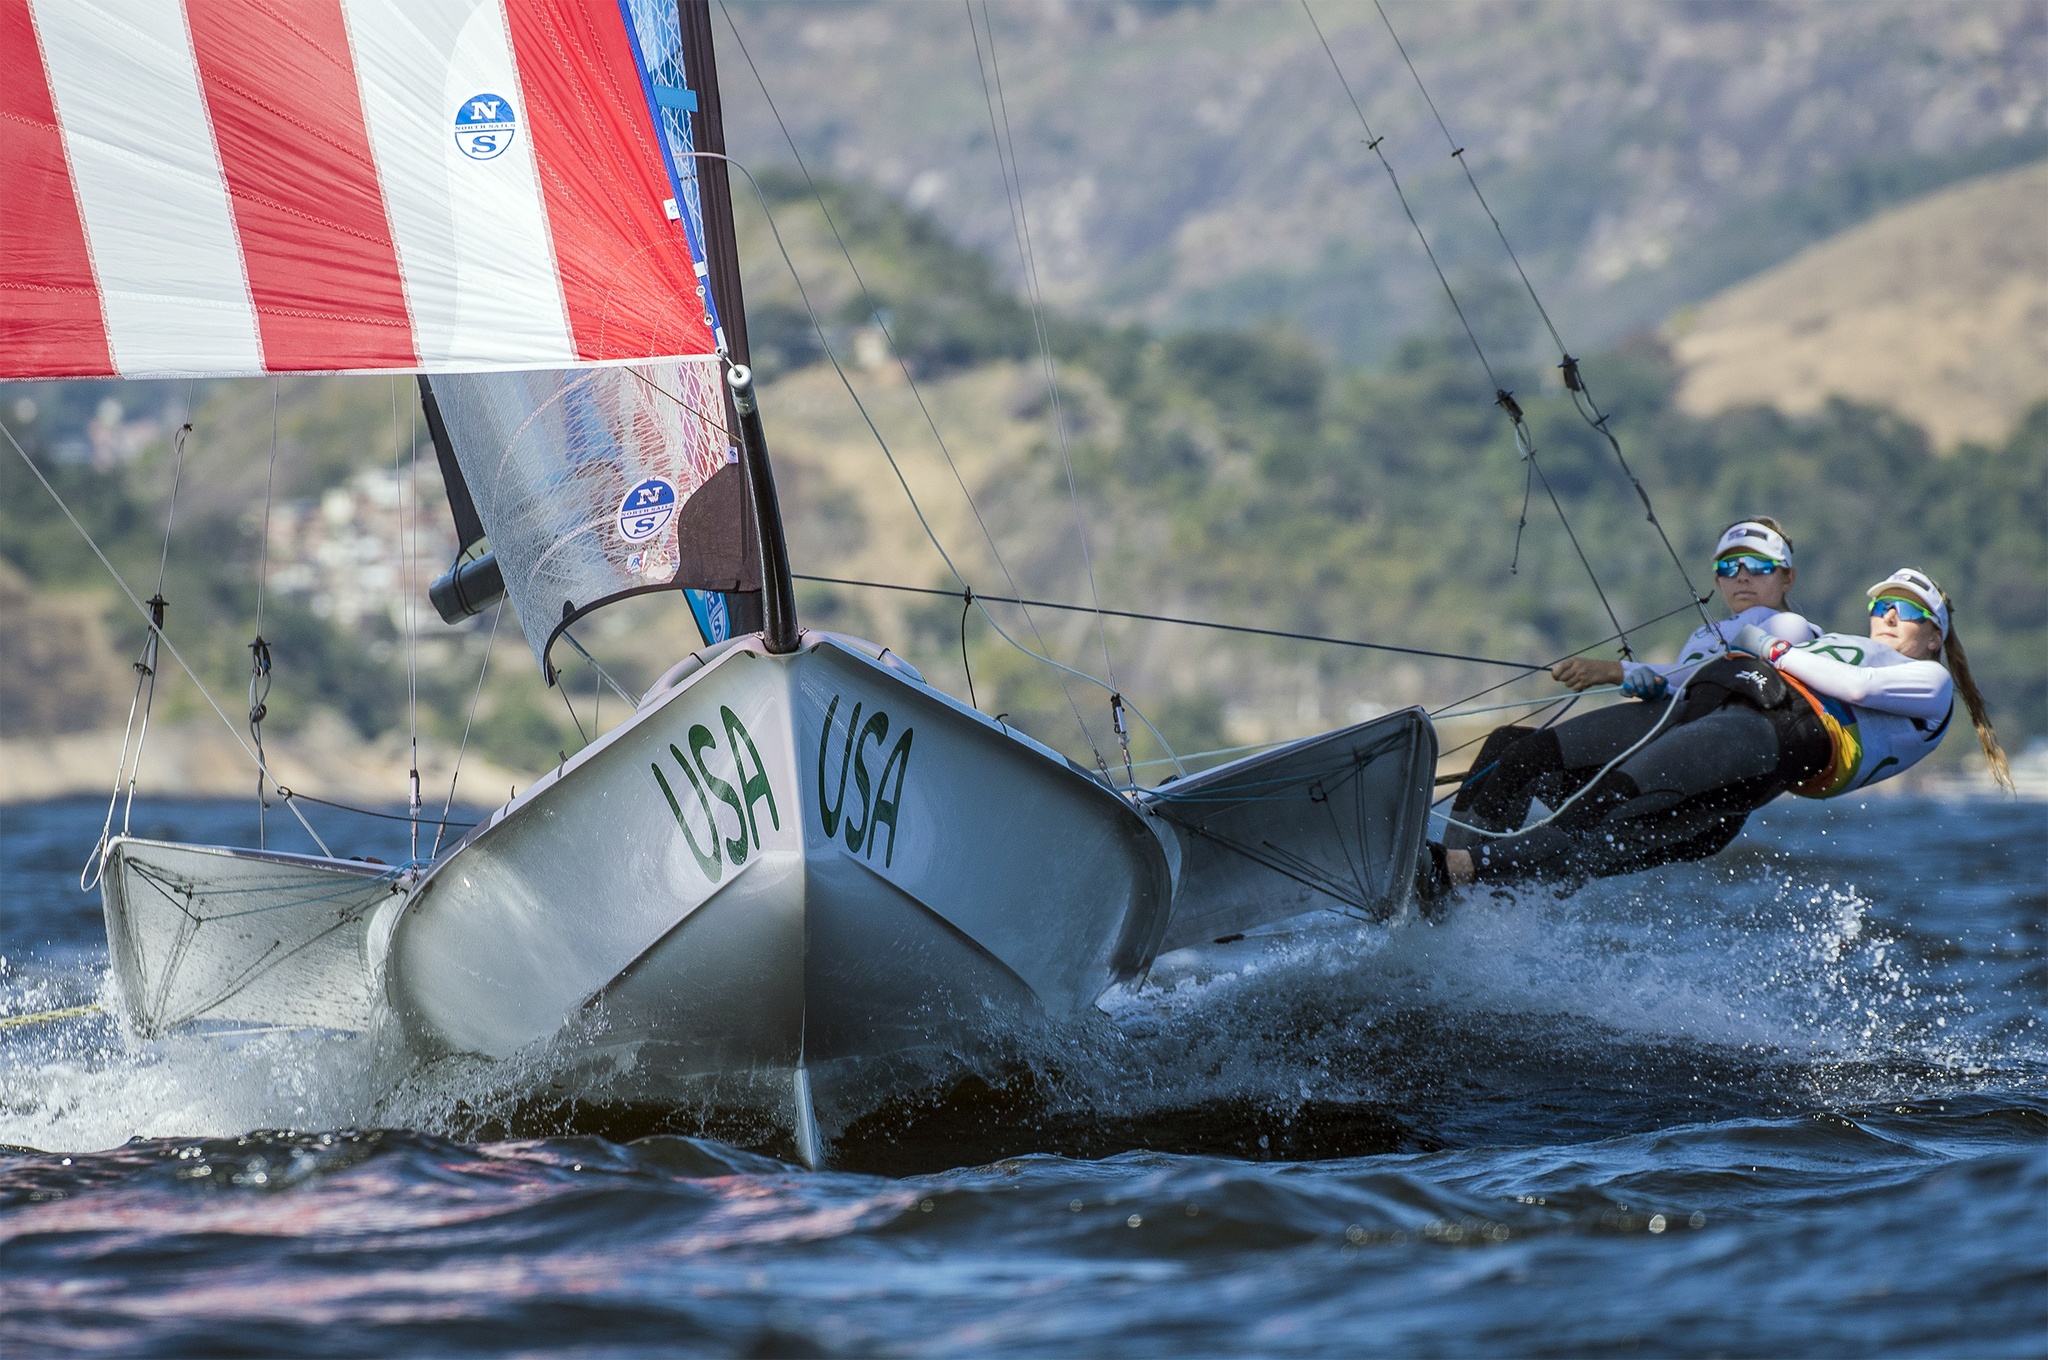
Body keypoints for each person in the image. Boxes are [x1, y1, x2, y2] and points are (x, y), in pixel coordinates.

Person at [1418, 562, 2011, 899]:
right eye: (1881, 605)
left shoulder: (1929, 682)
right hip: (1725, 712)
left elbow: (1847, 689)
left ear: (1934, 636)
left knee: (1606, 805)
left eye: (1904, 612)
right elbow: (1695, 673)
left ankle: (1455, 872)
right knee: (1512, 752)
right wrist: (1630, 672)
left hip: (1775, 734)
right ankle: (1461, 889)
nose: (1885, 616)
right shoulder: (1846, 644)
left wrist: (1767, 645)